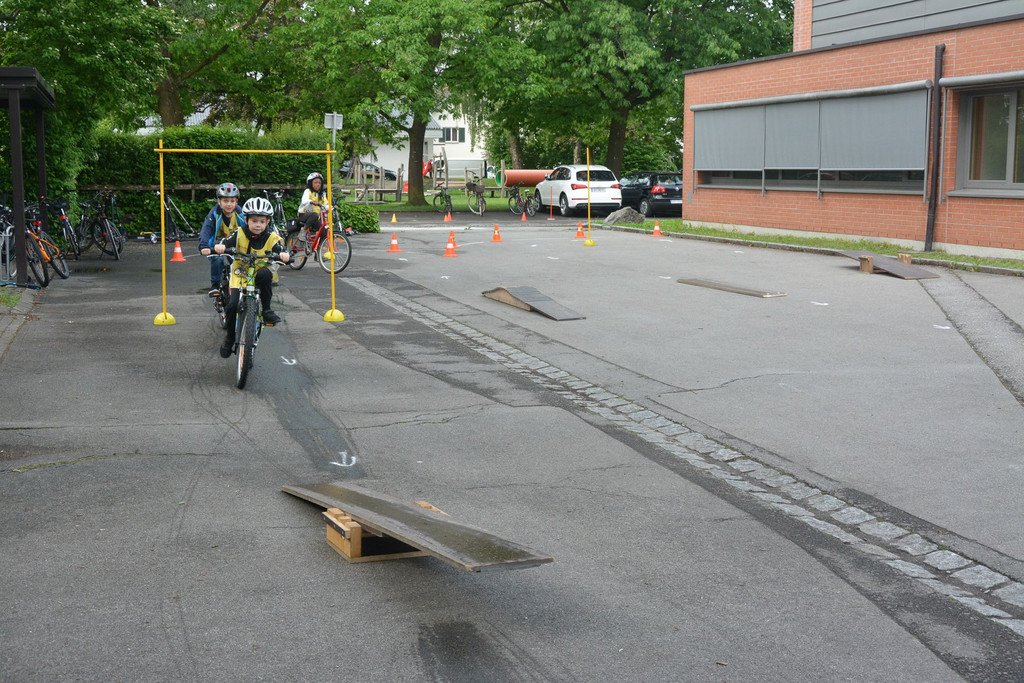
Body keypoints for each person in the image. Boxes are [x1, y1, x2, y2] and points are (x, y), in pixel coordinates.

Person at [213, 196, 290, 358]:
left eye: (262, 221)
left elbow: (280, 248)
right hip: (240, 274)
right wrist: (221, 246)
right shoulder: (239, 233)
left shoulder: (272, 237)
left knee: (266, 274)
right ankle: (230, 338)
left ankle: (267, 309)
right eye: (254, 221)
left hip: (259, 273)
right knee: (232, 305)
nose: (258, 225)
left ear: (268, 222)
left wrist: (283, 254)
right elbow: (226, 241)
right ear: (246, 220)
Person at [198, 182, 244, 292]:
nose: (229, 204)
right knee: (218, 260)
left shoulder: (241, 213)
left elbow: (249, 227)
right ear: (219, 201)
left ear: (236, 202)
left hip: (234, 243)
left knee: (238, 262)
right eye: (225, 201)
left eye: (232, 201)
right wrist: (204, 246)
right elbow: (206, 230)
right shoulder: (214, 214)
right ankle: (215, 286)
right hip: (217, 244)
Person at [298, 171, 355, 237]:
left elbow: (325, 205)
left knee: (324, 232)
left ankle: (320, 243)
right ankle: (303, 231)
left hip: (315, 218)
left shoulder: (322, 195)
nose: (318, 184)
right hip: (304, 215)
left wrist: (332, 207)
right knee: (315, 215)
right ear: (311, 183)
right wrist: (311, 201)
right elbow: (304, 200)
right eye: (315, 183)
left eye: (319, 183)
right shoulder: (308, 191)